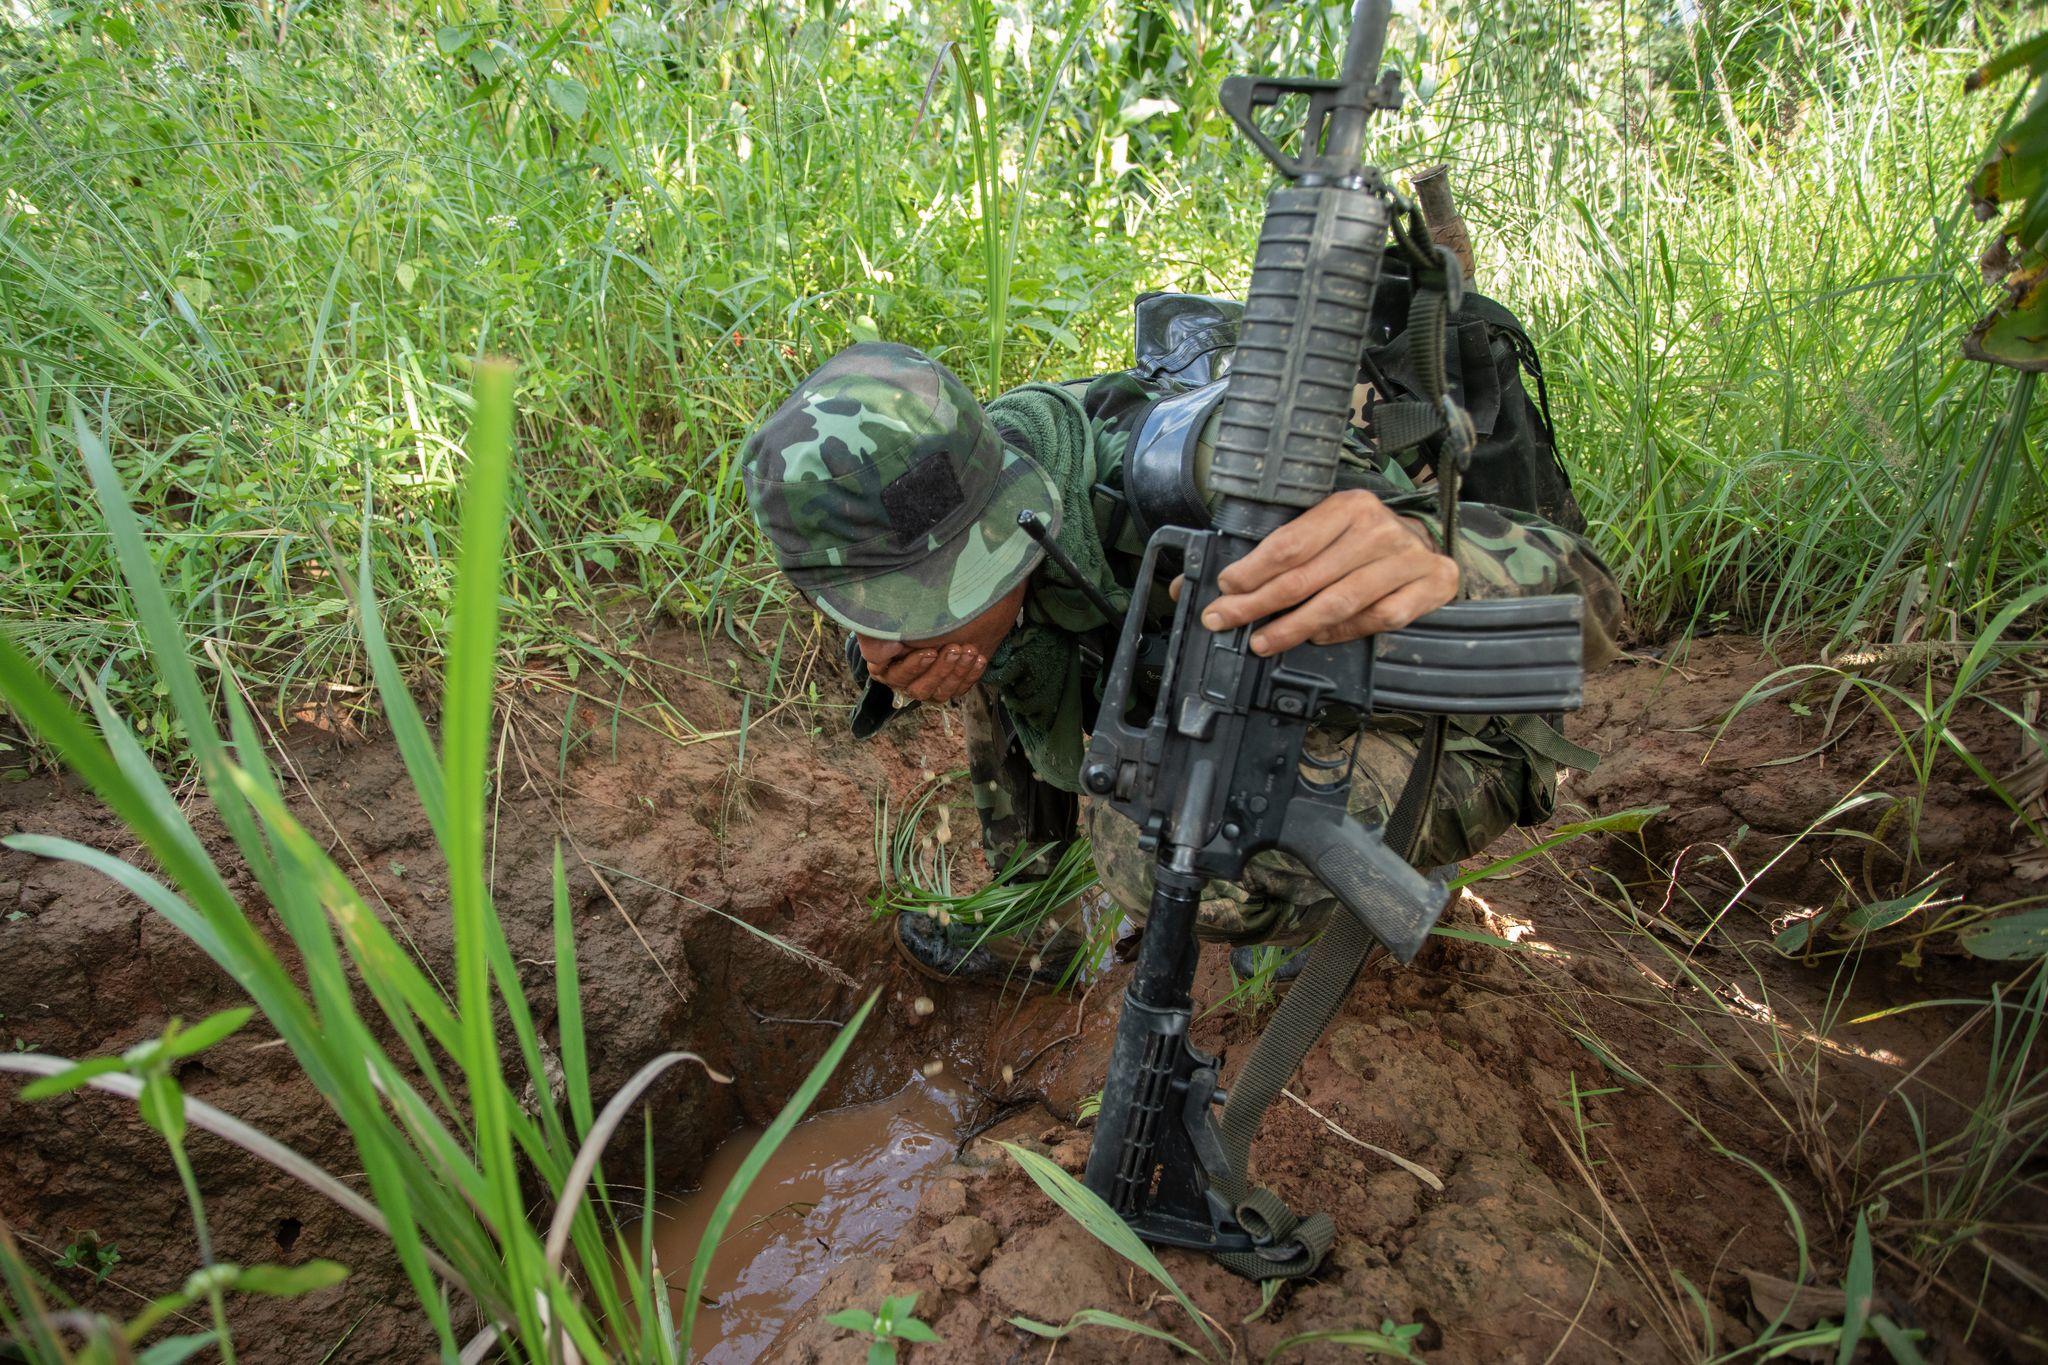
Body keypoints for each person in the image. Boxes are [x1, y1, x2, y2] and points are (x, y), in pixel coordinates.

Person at [740, 303, 1624, 989]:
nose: (898, 633)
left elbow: (1595, 609)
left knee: (1147, 844)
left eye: (920, 602)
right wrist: (910, 659)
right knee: (1006, 643)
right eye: (875, 609)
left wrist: (1435, 558)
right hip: (1246, 692)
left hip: (1452, 717)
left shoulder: (1221, 482)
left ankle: (1348, 878)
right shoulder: (981, 475)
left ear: (1010, 501)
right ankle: (1033, 907)